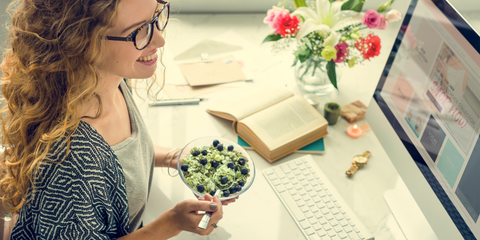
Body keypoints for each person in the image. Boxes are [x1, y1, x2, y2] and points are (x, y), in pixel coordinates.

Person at [0, 0, 234, 239]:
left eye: (155, 17)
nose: (160, 40)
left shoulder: (110, 78)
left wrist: (176, 158)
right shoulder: (71, 163)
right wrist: (173, 222)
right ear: (81, 42)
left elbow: (119, 156)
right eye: (137, 31)